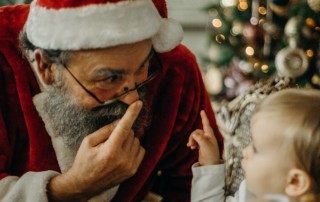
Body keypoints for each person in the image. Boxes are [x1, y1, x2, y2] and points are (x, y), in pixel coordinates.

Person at [0, 0, 224, 201]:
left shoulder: (173, 67)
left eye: (142, 69)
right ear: (46, 67)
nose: (132, 98)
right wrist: (71, 188)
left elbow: (192, 188)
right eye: (109, 78)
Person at [188, 88, 320, 202]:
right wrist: (210, 163)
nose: (245, 151)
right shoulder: (251, 193)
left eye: (256, 149)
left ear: (294, 181)